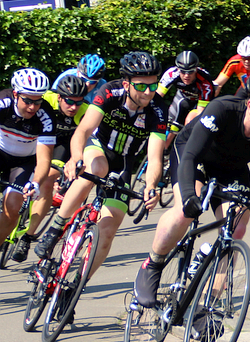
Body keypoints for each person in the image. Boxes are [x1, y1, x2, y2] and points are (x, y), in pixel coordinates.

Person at [132, 67, 250, 309]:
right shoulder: (223, 110)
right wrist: (189, 197)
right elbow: (189, 157)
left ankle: (207, 307)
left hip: (231, 167)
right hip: (194, 154)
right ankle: (152, 265)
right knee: (184, 211)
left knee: (237, 228)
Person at [35, 52, 168, 279]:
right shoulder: (109, 92)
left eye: (153, 85)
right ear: (126, 84)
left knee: (107, 232)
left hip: (125, 163)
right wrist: (76, 158)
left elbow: (155, 156)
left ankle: (77, 285)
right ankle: (56, 227)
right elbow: (84, 131)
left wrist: (151, 186)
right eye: (141, 86)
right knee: (96, 170)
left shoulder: (158, 109)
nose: (149, 91)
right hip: (99, 147)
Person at [11, 75, 90, 262]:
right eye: (69, 102)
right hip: (39, 140)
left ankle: (28, 236)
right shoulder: (46, 100)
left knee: (47, 180)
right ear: (59, 97)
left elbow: (87, 142)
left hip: (63, 147)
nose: (73, 107)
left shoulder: (85, 112)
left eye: (78, 103)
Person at [0, 68, 58, 250]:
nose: (33, 107)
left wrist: (36, 183)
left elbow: (44, 160)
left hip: (23, 162)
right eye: (27, 101)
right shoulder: (3, 103)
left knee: (13, 208)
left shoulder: (46, 117)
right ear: (16, 94)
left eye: (38, 101)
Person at [157, 50, 216, 148]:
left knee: (190, 122)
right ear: (178, 69)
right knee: (169, 123)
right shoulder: (172, 73)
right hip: (183, 98)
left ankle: (186, 150)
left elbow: (200, 112)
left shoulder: (204, 81)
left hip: (199, 103)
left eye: (190, 72)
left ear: (196, 69)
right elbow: (157, 97)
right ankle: (164, 151)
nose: (186, 75)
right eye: (183, 72)